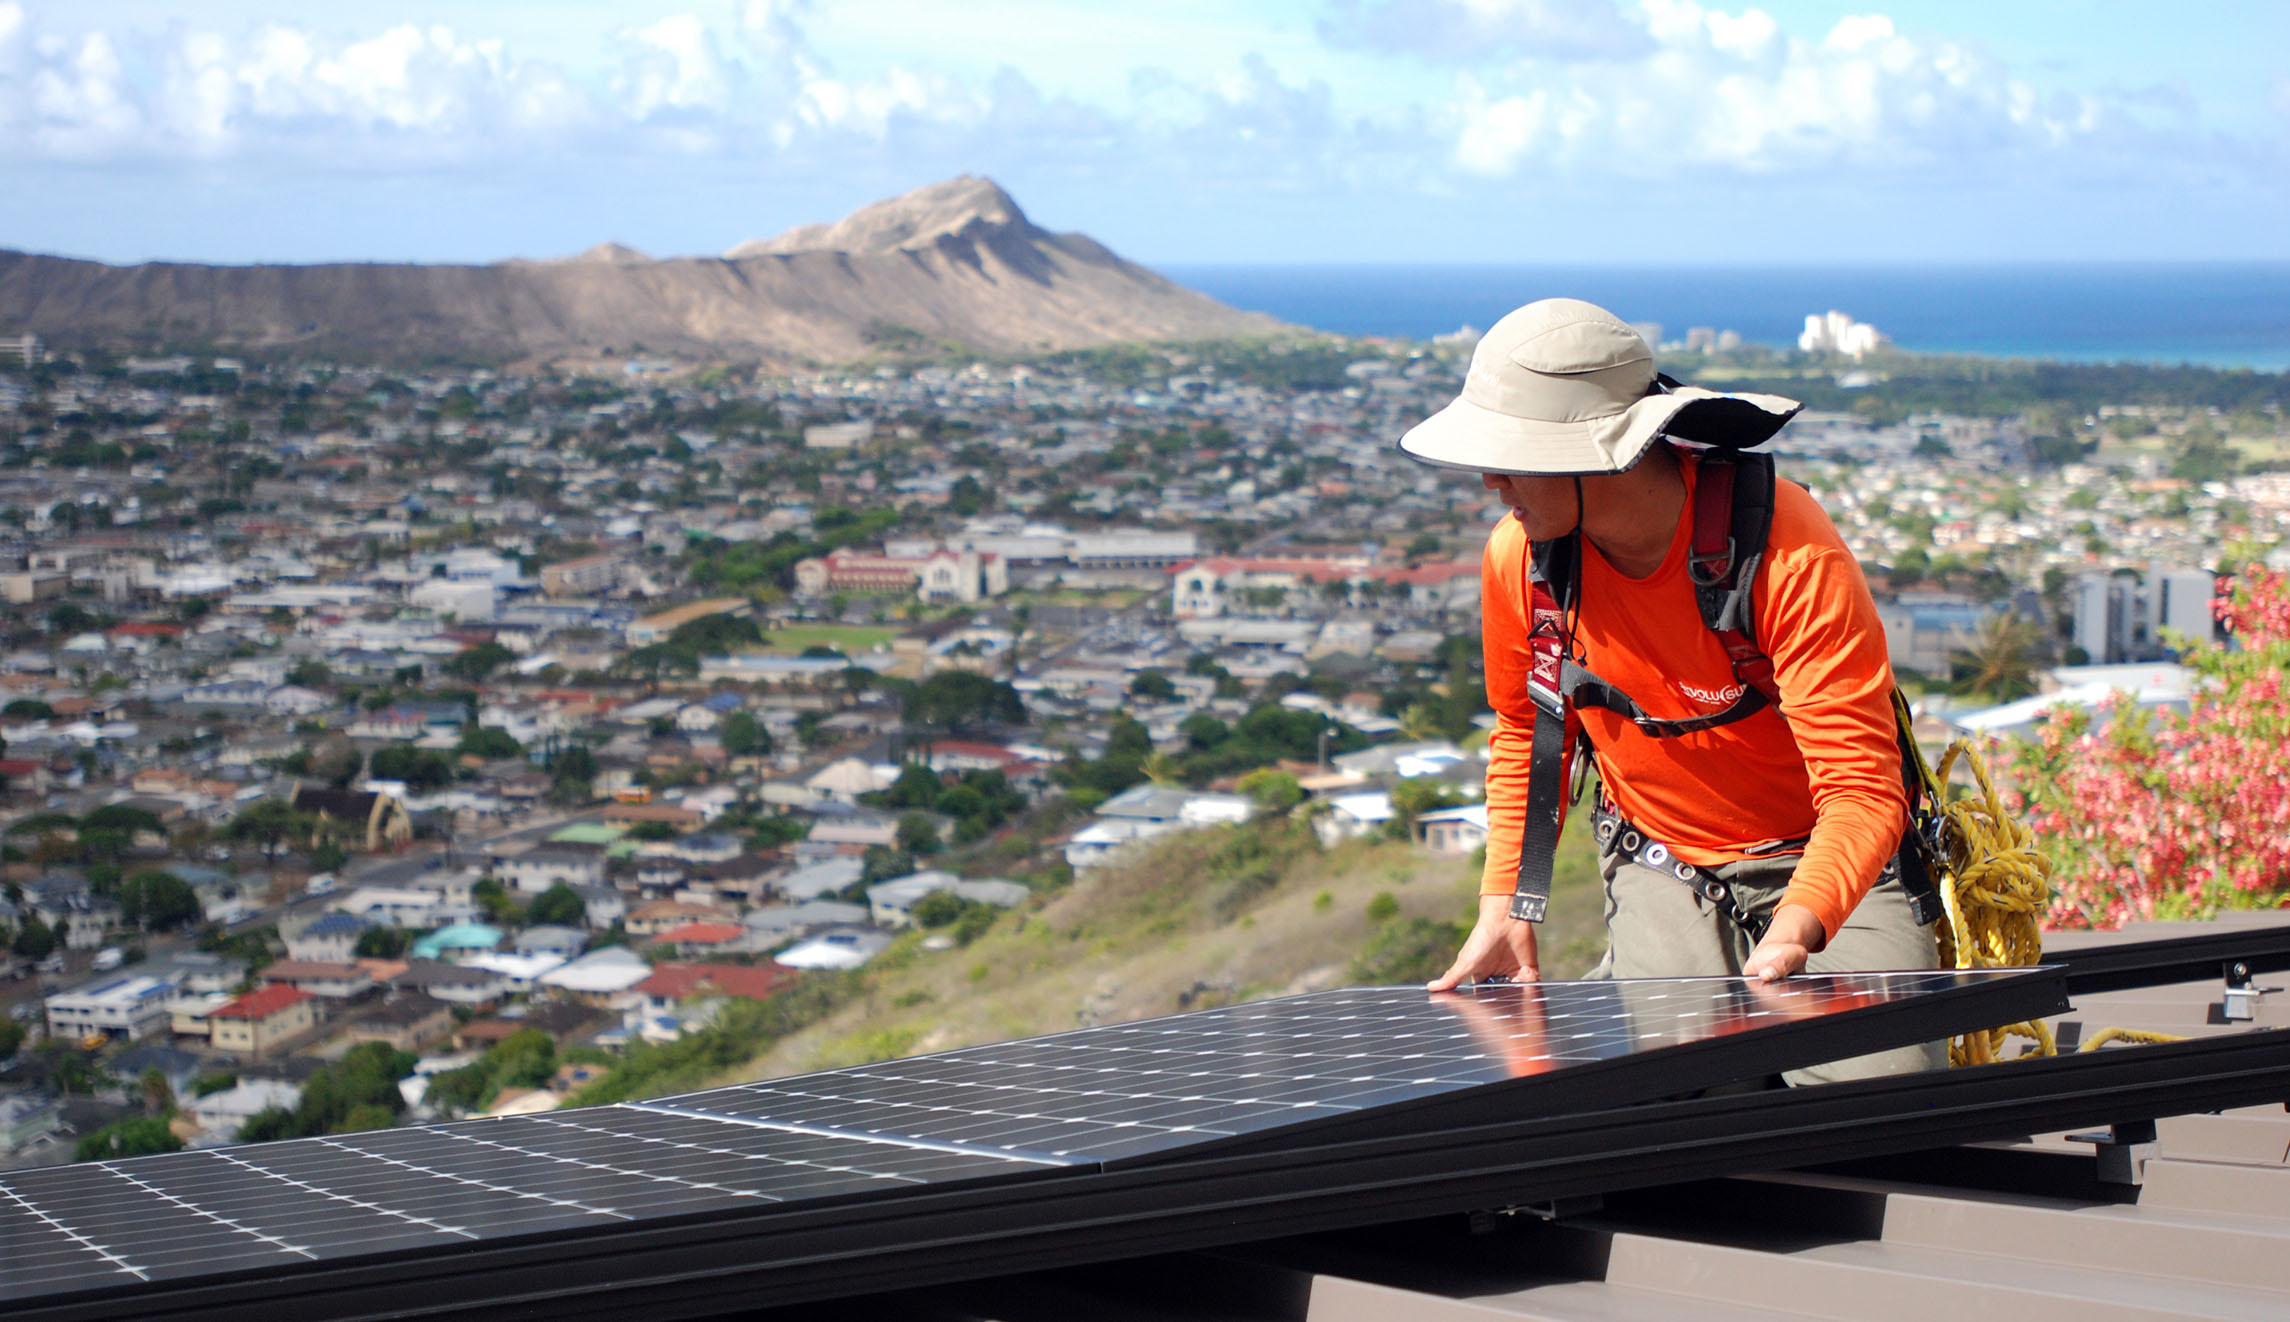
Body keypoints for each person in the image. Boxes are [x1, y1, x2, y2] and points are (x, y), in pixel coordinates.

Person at [1398, 297, 1941, 1081]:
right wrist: (1504, 906)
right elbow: (1526, 732)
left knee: (1874, 1088)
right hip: (1663, 855)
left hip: (1821, 855)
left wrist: (1799, 925)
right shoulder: (1523, 561)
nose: (1490, 482)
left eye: (1511, 459)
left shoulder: (1784, 551)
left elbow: (1862, 786)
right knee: (1677, 1091)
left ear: (1596, 453)